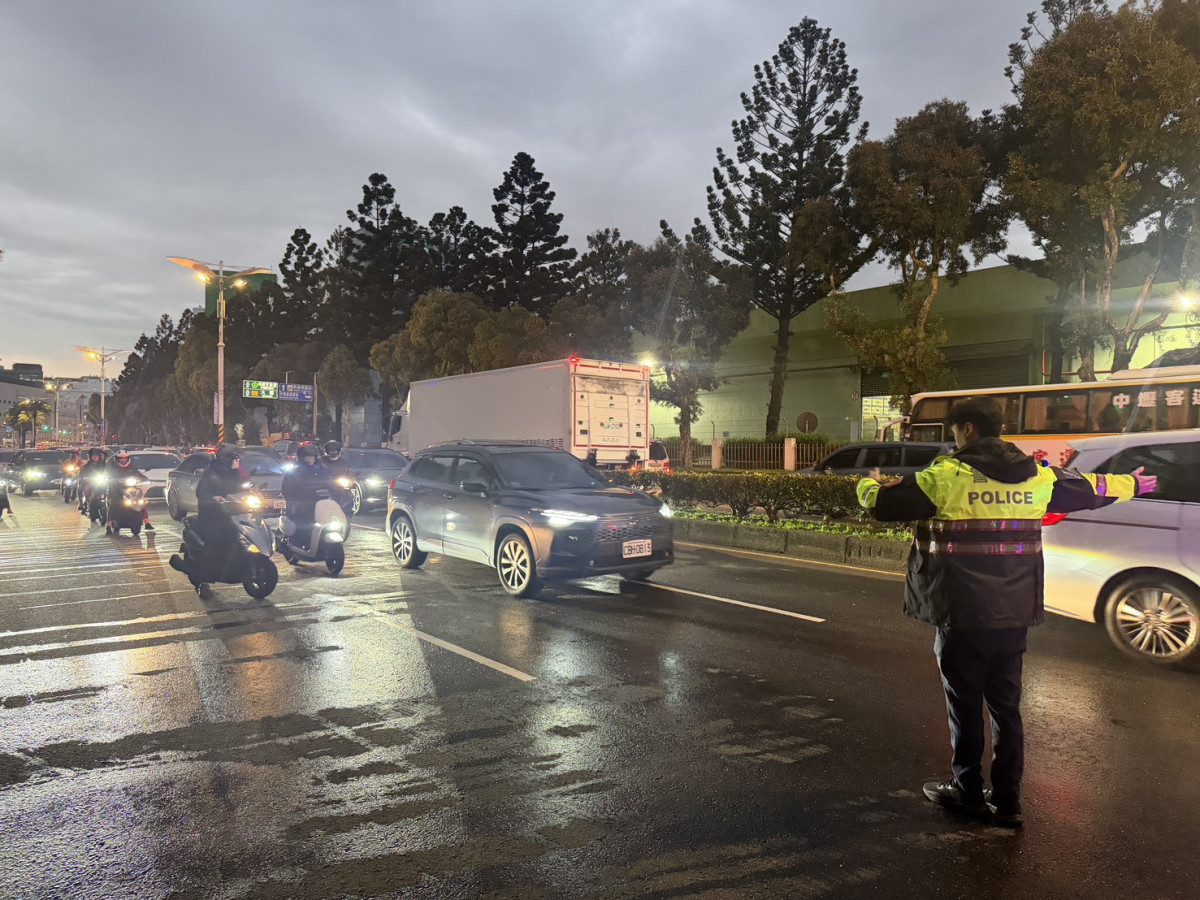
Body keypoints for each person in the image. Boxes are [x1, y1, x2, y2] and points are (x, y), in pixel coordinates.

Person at [856, 397, 1156, 828]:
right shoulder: (1038, 475)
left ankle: (967, 791)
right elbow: (1091, 489)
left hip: (961, 612)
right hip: (1014, 611)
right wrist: (1133, 484)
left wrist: (867, 484)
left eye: (955, 431)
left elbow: (882, 505)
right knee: (1006, 706)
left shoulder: (948, 476)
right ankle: (1008, 799)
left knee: (964, 705)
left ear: (967, 429)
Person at [170, 444, 244, 591]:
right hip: (211, 515)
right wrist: (213, 497)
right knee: (216, 540)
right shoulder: (212, 473)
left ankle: (237, 565)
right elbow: (201, 492)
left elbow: (239, 487)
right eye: (235, 459)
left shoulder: (233, 473)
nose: (238, 462)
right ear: (226, 459)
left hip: (227, 514)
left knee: (236, 535)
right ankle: (205, 575)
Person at [284, 442, 330, 549]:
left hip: (319, 503)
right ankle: (298, 543)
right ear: (301, 458)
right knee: (303, 524)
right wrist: (296, 497)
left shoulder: (321, 470)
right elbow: (287, 488)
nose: (310, 459)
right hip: (301, 504)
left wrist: (337, 489)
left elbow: (330, 482)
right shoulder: (295, 471)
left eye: (312, 457)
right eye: (307, 457)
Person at [105, 449, 153, 534]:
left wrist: (144, 479)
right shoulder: (113, 469)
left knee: (141, 501)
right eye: (121, 459)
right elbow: (107, 477)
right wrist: (110, 480)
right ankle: (109, 524)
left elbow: (140, 475)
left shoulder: (132, 468)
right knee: (113, 503)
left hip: (131, 490)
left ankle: (147, 522)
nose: (123, 461)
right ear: (117, 460)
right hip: (117, 490)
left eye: (125, 459)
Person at [78, 447, 108, 520]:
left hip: (101, 484)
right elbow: (81, 475)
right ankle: (86, 502)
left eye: (96, 456)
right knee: (86, 489)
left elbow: (108, 472)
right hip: (90, 484)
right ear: (90, 457)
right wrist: (84, 478)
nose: (95, 457)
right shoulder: (86, 466)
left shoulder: (103, 465)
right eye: (93, 456)